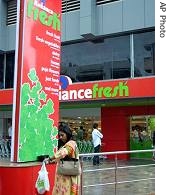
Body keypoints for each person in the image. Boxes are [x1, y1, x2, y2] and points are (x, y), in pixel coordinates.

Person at [45, 124, 81, 195]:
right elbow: (61, 157)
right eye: (59, 135)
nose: (61, 137)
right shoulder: (66, 144)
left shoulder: (71, 143)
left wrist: (50, 158)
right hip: (65, 172)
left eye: (62, 135)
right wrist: (52, 161)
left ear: (67, 134)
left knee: (67, 191)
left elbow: (63, 153)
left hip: (69, 175)